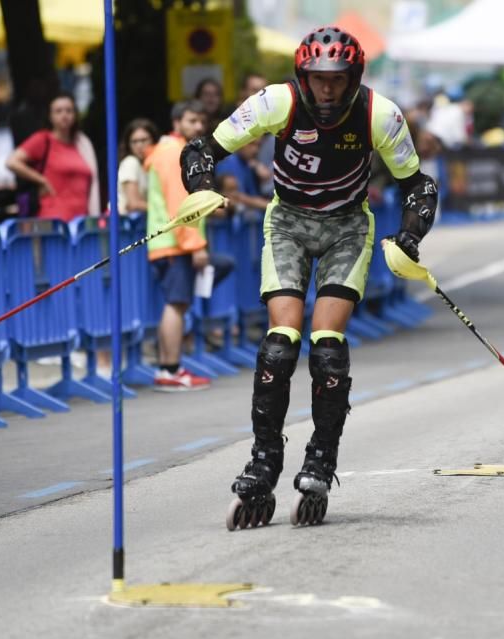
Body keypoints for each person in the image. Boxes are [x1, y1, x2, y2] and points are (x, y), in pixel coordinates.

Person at [179, 26, 438, 526]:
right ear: (303, 77)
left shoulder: (379, 115)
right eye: (318, 79)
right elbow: (201, 150)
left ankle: (321, 457)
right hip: (288, 225)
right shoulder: (277, 102)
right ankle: (264, 460)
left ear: (353, 77)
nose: (326, 89)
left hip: (347, 228)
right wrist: (203, 188)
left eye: (336, 79)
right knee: (280, 342)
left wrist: (410, 235)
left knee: (326, 345)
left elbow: (418, 186)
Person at [146, 100, 234, 392]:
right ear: (176, 121)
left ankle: (171, 368)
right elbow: (179, 204)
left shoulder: (172, 150)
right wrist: (195, 245)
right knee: (176, 305)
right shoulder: (174, 152)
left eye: (201, 121)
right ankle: (169, 370)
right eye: (192, 120)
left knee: (179, 305)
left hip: (170, 242)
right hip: (174, 243)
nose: (199, 126)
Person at [6, 92, 101, 220]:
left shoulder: (82, 144)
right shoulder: (43, 139)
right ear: (50, 116)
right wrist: (41, 180)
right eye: (58, 111)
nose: (64, 115)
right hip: (54, 223)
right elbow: (11, 162)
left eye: (69, 111)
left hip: (82, 223)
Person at [117, 118, 159, 215]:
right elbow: (133, 204)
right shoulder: (130, 162)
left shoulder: (150, 165)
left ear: (153, 140)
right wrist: (165, 208)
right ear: (128, 144)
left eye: (144, 140)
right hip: (127, 225)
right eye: (134, 141)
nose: (139, 145)